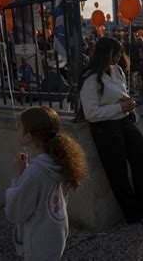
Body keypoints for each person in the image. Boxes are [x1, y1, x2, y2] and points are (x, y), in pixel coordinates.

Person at [80, 37, 143, 229]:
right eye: (115, 52)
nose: (118, 56)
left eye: (119, 52)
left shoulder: (117, 70)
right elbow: (91, 113)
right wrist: (120, 108)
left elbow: (120, 96)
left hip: (124, 121)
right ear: (105, 53)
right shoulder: (91, 78)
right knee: (117, 172)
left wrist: (129, 104)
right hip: (105, 127)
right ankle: (135, 213)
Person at [5, 106, 87, 260]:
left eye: (19, 127)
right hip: (55, 238)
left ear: (28, 136)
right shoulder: (57, 161)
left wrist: (18, 176)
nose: (16, 129)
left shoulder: (35, 172)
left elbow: (15, 212)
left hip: (37, 246)